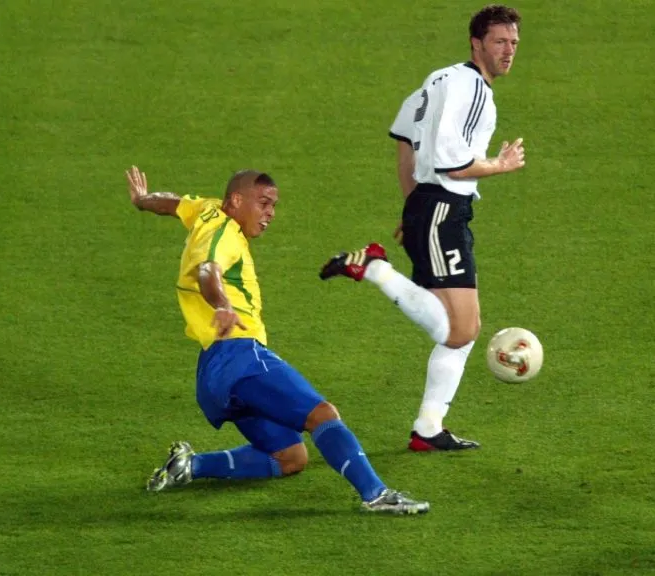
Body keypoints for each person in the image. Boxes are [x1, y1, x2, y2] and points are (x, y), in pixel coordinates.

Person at [125, 166, 429, 515]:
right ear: (236, 201)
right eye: (263, 203)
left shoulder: (208, 210)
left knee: (290, 457)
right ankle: (376, 495)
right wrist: (223, 305)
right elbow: (208, 271)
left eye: (273, 206)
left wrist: (142, 200)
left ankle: (189, 466)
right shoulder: (223, 235)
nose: (270, 213)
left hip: (211, 374)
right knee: (322, 414)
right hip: (239, 354)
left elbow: (175, 204)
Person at [319, 4, 525, 452]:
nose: (508, 51)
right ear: (476, 44)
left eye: (513, 43)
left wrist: (412, 204)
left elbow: (405, 140)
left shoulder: (438, 80)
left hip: (429, 210)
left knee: (461, 332)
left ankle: (429, 428)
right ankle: (375, 269)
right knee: (461, 331)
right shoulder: (473, 89)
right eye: (499, 42)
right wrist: (500, 165)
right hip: (445, 211)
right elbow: (454, 164)